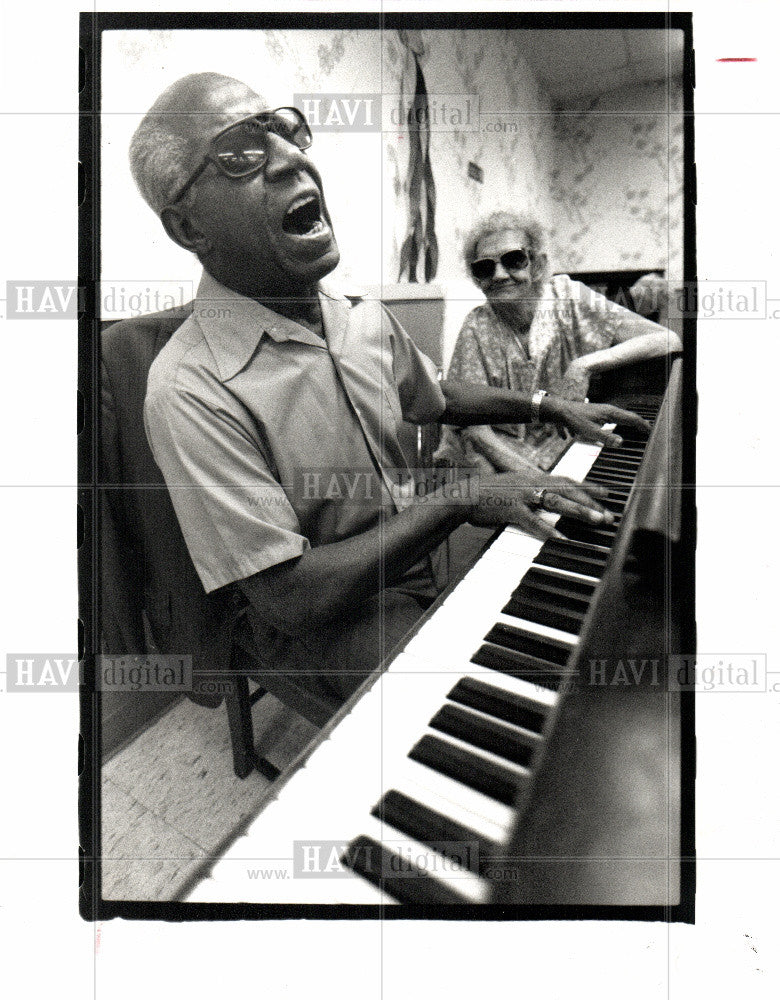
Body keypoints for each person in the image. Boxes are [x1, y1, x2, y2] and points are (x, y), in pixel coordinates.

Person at [133, 74, 650, 706]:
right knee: (507, 703)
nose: (293, 157)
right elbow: (289, 597)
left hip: (415, 549)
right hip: (321, 620)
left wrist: (547, 405)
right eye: (241, 152)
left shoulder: (360, 316)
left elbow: (438, 396)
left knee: (590, 595)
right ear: (188, 228)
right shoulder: (188, 387)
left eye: (288, 131)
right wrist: (456, 500)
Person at [435, 211, 682, 474]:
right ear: (477, 279)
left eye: (513, 260)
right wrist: (536, 483)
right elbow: (476, 431)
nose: (499, 274)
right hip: (494, 456)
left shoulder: (568, 297)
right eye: (484, 267)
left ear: (537, 263)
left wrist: (583, 365)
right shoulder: (475, 326)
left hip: (560, 447)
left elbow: (668, 340)